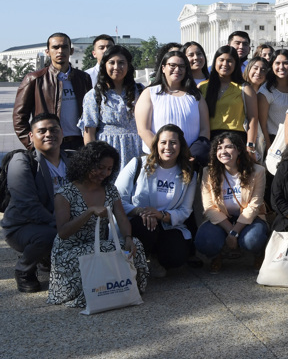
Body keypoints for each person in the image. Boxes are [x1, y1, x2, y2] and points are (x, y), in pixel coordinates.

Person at [47, 141, 149, 307]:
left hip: (98, 246)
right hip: (69, 253)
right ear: (86, 163)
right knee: (101, 249)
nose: (104, 173)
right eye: (100, 167)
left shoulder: (110, 189)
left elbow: (122, 218)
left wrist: (128, 238)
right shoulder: (65, 193)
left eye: (109, 169)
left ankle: (130, 288)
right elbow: (63, 232)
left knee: (134, 245)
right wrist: (89, 212)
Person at [115, 125, 198, 278]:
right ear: (156, 144)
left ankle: (156, 259)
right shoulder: (138, 164)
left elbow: (185, 211)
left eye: (173, 142)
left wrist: (161, 215)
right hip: (138, 220)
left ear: (181, 146)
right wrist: (141, 211)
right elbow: (117, 199)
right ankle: (136, 262)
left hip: (166, 222)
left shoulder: (189, 173)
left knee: (176, 256)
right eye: (163, 142)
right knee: (145, 225)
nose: (168, 147)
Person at [1, 114, 72, 292]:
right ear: (31, 136)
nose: (49, 134)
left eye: (54, 129)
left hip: (61, 221)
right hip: (24, 226)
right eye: (42, 131)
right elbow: (27, 205)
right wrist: (62, 227)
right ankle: (24, 270)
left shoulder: (72, 160)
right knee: (49, 237)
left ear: (62, 133)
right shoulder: (22, 162)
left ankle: (47, 258)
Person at [195, 133, 269, 273]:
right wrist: (232, 231)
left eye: (229, 147)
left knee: (252, 240)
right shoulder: (208, 172)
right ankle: (216, 256)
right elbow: (209, 207)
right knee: (204, 241)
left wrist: (235, 232)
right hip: (222, 218)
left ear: (239, 150)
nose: (223, 151)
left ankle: (259, 254)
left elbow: (254, 205)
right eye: (219, 148)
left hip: (250, 218)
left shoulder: (257, 171)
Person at [13, 32, 92, 150]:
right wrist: (33, 145)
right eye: (55, 47)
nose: (60, 51)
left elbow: (92, 113)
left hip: (80, 143)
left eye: (64, 47)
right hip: (50, 144)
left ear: (71, 51)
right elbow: (19, 117)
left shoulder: (83, 78)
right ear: (47, 52)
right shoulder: (34, 79)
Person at [134, 51, 210, 160]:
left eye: (181, 66)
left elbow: (205, 129)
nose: (177, 69)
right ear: (163, 68)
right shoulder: (149, 93)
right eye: (172, 65)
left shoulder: (196, 96)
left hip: (190, 160)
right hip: (158, 159)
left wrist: (193, 153)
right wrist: (163, 154)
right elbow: (143, 129)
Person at [80, 45, 144, 167]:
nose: (116, 67)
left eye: (121, 63)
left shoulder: (140, 91)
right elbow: (89, 133)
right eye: (112, 63)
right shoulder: (94, 95)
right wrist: (93, 160)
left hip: (137, 149)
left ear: (128, 65)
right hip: (107, 153)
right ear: (104, 65)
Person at [199, 46, 259, 159]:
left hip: (236, 139)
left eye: (230, 61)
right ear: (215, 62)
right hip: (210, 139)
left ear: (236, 64)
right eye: (221, 60)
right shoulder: (203, 87)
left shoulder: (244, 88)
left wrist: (250, 145)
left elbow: (253, 118)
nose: (225, 64)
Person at [257, 49, 288, 148]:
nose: (281, 67)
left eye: (285, 63)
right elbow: (263, 125)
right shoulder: (266, 91)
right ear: (272, 65)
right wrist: (269, 147)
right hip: (275, 141)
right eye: (277, 63)